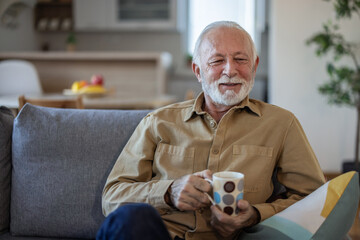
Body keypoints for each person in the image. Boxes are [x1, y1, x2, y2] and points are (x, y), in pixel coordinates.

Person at [98, 21, 325, 240]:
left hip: (239, 237)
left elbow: (315, 200)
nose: (230, 70)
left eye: (240, 59)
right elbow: (112, 198)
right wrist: (168, 192)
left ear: (254, 66)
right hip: (165, 234)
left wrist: (255, 215)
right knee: (130, 218)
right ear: (198, 71)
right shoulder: (157, 122)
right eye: (217, 61)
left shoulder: (282, 124)